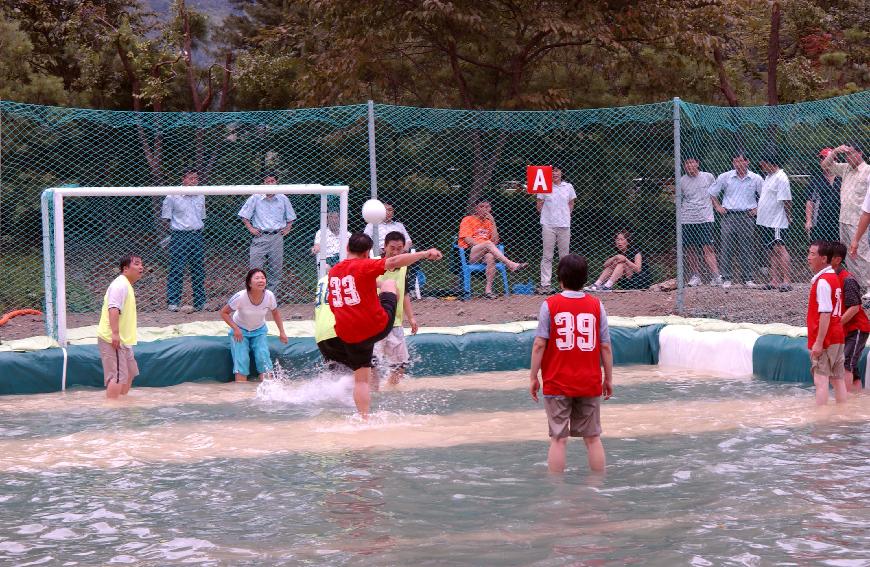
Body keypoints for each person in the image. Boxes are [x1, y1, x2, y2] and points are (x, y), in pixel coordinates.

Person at [318, 233, 442, 418]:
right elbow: (394, 262)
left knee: (361, 381)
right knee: (390, 284)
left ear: (346, 248)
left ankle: (364, 418)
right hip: (377, 326)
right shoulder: (367, 264)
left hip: (348, 333)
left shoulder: (334, 271)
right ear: (368, 253)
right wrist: (424, 254)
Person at [529, 253, 613, 473]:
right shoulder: (597, 306)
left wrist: (533, 377)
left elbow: (539, 344)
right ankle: (597, 488)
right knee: (593, 438)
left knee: (558, 439)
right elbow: (605, 346)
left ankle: (557, 493)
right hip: (589, 381)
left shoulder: (550, 305)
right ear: (585, 279)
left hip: (557, 382)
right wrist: (608, 379)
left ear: (560, 279)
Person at [220, 268, 289, 382]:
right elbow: (224, 312)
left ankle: (268, 391)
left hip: (259, 330)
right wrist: (236, 329)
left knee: (263, 358)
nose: (261, 280)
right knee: (241, 360)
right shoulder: (240, 296)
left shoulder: (269, 296)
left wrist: (282, 332)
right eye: (257, 278)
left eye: (263, 278)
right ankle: (241, 393)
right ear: (249, 283)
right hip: (240, 331)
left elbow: (275, 313)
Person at [708, 153, 763, 288]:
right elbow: (711, 192)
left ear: (747, 162)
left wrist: (757, 209)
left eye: (741, 161)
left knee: (747, 247)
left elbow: (765, 195)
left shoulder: (756, 178)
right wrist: (717, 206)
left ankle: (748, 278)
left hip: (747, 216)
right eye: (735, 161)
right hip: (729, 216)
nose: (738, 164)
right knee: (726, 246)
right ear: (733, 163)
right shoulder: (725, 177)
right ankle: (726, 278)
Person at [373, 231, 419, 386]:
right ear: (384, 247)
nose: (395, 252)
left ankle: (390, 391)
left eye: (399, 248)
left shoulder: (404, 267)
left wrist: (411, 317)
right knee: (372, 365)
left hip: (395, 323)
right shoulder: (373, 266)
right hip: (375, 323)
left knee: (400, 365)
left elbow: (404, 293)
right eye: (392, 248)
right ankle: (373, 393)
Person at [238, 174, 296, 295]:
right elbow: (244, 215)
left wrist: (287, 228)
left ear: (276, 182)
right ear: (263, 183)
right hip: (260, 237)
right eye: (267, 181)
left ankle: (271, 297)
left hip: (277, 237)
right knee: (255, 269)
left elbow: (291, 217)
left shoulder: (283, 198)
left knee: (276, 270)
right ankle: (256, 296)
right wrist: (250, 228)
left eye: (273, 181)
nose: (270, 183)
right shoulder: (255, 197)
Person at [96, 254, 144, 399]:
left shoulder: (126, 285)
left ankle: (121, 403)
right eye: (136, 264)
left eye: (142, 264)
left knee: (129, 372)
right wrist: (115, 334)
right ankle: (112, 410)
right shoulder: (119, 285)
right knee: (117, 377)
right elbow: (113, 309)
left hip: (124, 341)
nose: (141, 267)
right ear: (125, 269)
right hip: (113, 338)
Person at [806, 240, 847, 405]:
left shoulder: (822, 281)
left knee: (820, 381)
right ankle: (843, 415)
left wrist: (819, 343)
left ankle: (820, 423)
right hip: (838, 336)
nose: (808, 257)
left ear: (823, 259)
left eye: (812, 254)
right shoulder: (833, 277)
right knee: (838, 381)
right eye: (809, 253)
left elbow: (825, 314)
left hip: (827, 339)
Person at [457, 201, 527, 299]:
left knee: (490, 257)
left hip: (487, 252)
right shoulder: (468, 219)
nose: (484, 209)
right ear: (476, 209)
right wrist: (484, 246)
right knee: (488, 244)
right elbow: (468, 239)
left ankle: (488, 291)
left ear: (490, 209)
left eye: (487, 207)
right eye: (481, 207)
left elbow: (495, 241)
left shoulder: (489, 222)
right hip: (472, 253)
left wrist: (493, 222)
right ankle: (510, 264)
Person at [826, 143, 870, 293]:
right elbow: (826, 165)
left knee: (862, 254)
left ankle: (869, 286)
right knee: (849, 255)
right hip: (844, 218)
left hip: (859, 221)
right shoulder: (845, 168)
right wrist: (835, 151)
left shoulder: (868, 171)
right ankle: (857, 285)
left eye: (851, 154)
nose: (848, 158)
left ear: (860, 153)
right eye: (846, 155)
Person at [162, 169, 207, 311]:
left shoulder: (201, 195)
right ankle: (173, 302)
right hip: (179, 236)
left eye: (196, 178)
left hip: (196, 235)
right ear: (184, 180)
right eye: (191, 178)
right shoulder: (172, 196)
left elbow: (202, 216)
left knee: (198, 269)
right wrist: (174, 233)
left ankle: (200, 302)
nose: (194, 181)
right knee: (177, 269)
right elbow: (165, 219)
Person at [831, 242, 869, 393]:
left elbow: (855, 307)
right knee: (850, 363)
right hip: (846, 329)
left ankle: (845, 401)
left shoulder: (847, 280)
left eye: (826, 256)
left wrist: (836, 324)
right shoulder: (830, 278)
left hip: (857, 328)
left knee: (846, 362)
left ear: (837, 259)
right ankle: (856, 397)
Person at [678, 157, 722, 286]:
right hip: (687, 219)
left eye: (692, 162)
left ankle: (716, 276)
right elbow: (679, 199)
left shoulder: (708, 177)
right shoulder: (681, 181)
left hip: (705, 218)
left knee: (708, 247)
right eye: (686, 163)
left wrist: (717, 206)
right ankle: (695, 276)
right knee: (690, 248)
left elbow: (713, 195)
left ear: (697, 163)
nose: (689, 165)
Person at [536, 166, 576, 294]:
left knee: (564, 256)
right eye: (552, 171)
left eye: (557, 170)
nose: (555, 173)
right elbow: (539, 205)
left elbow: (571, 204)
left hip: (564, 225)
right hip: (548, 225)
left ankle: (565, 284)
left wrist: (564, 216)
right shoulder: (543, 186)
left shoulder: (568, 187)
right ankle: (545, 284)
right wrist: (549, 216)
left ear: (561, 172)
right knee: (547, 255)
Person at [756, 155, 792, 291]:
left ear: (770, 163)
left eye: (763, 165)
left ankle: (786, 281)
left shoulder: (781, 177)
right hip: (766, 220)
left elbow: (787, 200)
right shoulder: (769, 176)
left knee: (780, 248)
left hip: (777, 220)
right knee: (772, 250)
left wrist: (788, 216)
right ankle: (774, 280)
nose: (762, 168)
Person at [585, 230, 650, 291]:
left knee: (622, 263)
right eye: (617, 239)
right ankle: (597, 284)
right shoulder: (617, 252)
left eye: (622, 239)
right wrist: (614, 257)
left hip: (640, 280)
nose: (619, 242)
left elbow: (638, 269)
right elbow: (605, 265)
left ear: (628, 241)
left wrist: (625, 260)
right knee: (615, 262)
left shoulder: (636, 252)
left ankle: (608, 286)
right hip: (626, 281)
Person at [805, 148, 841, 243]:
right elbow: (810, 201)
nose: (823, 160)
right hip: (820, 221)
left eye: (826, 158)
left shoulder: (841, 178)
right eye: (822, 158)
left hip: (839, 220)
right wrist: (808, 220)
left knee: (837, 249)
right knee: (821, 249)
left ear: (834, 160)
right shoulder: (816, 180)